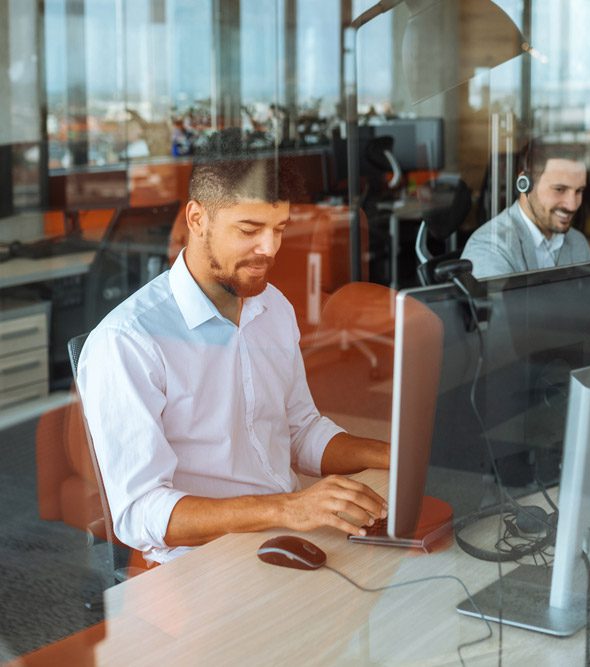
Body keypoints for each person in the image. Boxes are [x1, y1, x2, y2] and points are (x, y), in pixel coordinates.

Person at [77, 135, 389, 565]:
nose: (271, 248)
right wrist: (288, 508)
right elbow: (139, 512)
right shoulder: (128, 341)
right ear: (197, 218)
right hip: (199, 563)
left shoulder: (272, 307)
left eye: (279, 229)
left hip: (287, 534)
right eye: (249, 230)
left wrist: (395, 455)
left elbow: (300, 431)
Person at [461, 140, 590, 278]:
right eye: (559, 189)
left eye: (579, 191)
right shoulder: (490, 247)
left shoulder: (577, 242)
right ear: (524, 183)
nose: (572, 205)